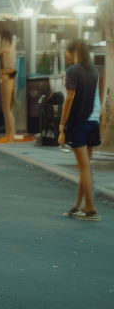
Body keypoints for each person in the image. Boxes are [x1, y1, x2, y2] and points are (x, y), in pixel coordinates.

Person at [58, 40, 102, 222]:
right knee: (85, 168)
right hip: (93, 122)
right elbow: (96, 97)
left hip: (79, 123)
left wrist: (62, 127)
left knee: (83, 168)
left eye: (66, 52)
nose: (65, 56)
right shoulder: (93, 70)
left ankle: (90, 208)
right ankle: (78, 206)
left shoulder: (72, 71)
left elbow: (69, 100)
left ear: (72, 53)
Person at [0, 30, 19, 143]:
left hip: (5, 77)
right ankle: (11, 134)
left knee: (6, 108)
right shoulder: (12, 46)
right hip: (11, 77)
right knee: (8, 108)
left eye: (0, 38)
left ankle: (10, 135)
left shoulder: (5, 49)